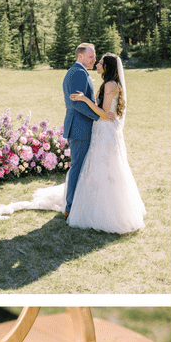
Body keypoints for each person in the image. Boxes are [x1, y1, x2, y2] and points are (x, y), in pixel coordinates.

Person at [0, 53, 145, 234]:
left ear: (108, 67)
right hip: (103, 130)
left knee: (105, 168)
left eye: (100, 62)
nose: (97, 64)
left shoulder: (110, 85)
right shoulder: (109, 84)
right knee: (101, 168)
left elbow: (104, 114)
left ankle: (107, 211)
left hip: (105, 132)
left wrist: (84, 99)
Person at [63, 42, 99, 217]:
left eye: (94, 56)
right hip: (79, 127)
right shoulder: (78, 72)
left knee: (79, 166)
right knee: (77, 167)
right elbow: (76, 103)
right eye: (91, 56)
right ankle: (70, 208)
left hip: (78, 126)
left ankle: (74, 205)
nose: (94, 59)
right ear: (80, 56)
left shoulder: (78, 71)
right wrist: (98, 116)